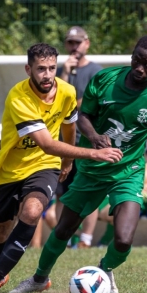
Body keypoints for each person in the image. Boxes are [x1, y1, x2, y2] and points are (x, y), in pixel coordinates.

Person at [8, 35, 147, 293]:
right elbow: (83, 115)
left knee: (123, 240)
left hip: (129, 171)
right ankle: (39, 278)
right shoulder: (105, 80)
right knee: (64, 228)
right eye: (136, 60)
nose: (139, 68)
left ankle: (104, 269)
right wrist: (94, 137)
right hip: (92, 169)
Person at [0, 43, 123, 293]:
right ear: (28, 69)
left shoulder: (67, 91)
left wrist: (67, 160)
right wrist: (93, 153)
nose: (47, 75)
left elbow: (70, 128)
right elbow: (45, 142)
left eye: (52, 68)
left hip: (45, 165)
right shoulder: (18, 97)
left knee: (33, 211)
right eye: (41, 69)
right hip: (10, 171)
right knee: (0, 229)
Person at [44, 26, 104, 248]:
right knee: (62, 192)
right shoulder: (57, 71)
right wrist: (65, 73)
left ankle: (86, 240)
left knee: (90, 192)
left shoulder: (97, 72)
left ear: (87, 43)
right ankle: (65, 238)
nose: (74, 47)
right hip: (62, 143)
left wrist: (77, 105)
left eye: (78, 42)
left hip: (88, 142)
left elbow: (95, 105)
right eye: (70, 43)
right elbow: (53, 101)